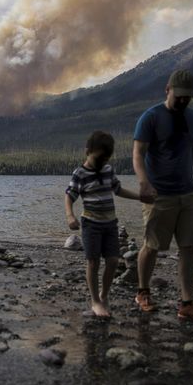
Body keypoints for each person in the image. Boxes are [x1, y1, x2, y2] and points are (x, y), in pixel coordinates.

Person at [132, 69, 193, 323]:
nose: (182, 101)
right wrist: (144, 183)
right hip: (159, 195)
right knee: (152, 245)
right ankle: (143, 292)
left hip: (189, 194)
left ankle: (187, 303)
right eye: (179, 96)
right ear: (167, 89)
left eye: (187, 97)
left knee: (189, 248)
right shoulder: (151, 117)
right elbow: (137, 154)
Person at [65, 131, 142, 318]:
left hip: (110, 223)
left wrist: (140, 196)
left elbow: (118, 189)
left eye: (106, 158)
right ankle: (95, 301)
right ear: (87, 151)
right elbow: (69, 194)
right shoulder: (80, 173)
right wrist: (70, 216)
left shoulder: (108, 169)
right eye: (99, 158)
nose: (102, 162)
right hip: (91, 223)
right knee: (93, 262)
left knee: (114, 260)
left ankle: (104, 295)